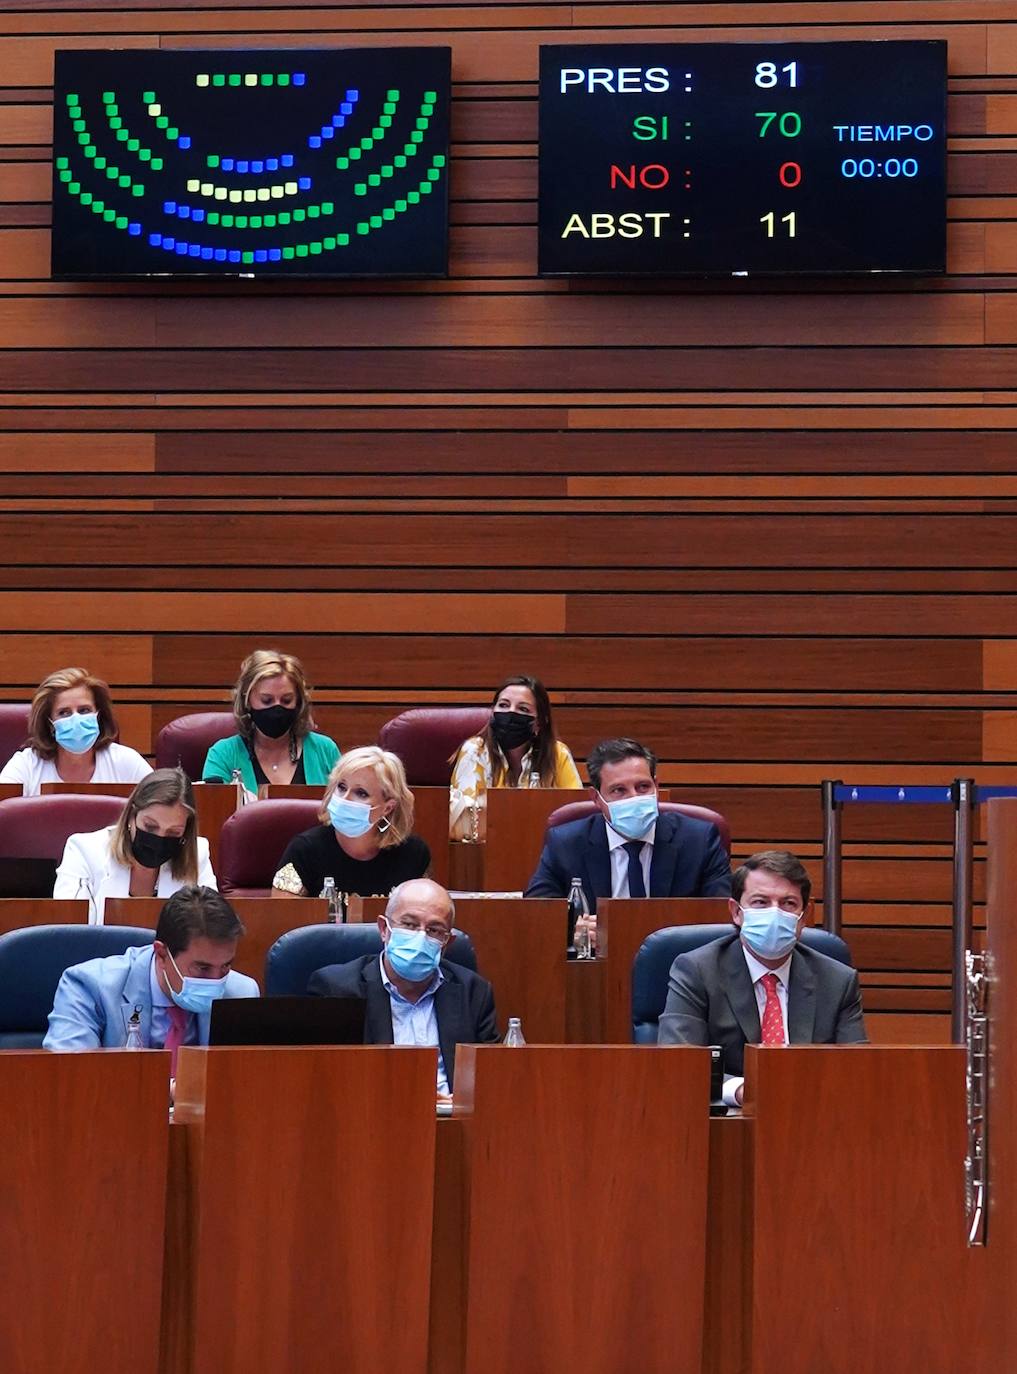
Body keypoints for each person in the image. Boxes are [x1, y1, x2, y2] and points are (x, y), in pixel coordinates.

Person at [657, 849, 867, 1105]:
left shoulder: (838, 981)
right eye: (760, 902)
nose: (775, 913)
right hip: (727, 1125)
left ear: (804, 917)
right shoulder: (696, 970)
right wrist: (743, 1091)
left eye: (788, 903)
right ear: (736, 912)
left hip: (812, 1117)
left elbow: (857, 1071)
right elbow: (679, 1064)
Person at [307, 878, 498, 1094]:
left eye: (434, 930)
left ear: (447, 943)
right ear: (383, 929)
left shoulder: (473, 992)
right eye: (409, 924)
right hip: (370, 1119)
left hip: (452, 1121)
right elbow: (324, 1083)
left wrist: (458, 1104)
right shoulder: (336, 990)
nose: (420, 936)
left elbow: (492, 1081)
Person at [43, 885, 258, 1065]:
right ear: (162, 954)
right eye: (202, 968)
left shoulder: (241, 994)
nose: (216, 981)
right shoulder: (89, 987)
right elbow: (71, 1075)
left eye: (226, 966)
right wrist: (172, 1090)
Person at [524, 737, 731, 912]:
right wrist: (575, 927)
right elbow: (538, 914)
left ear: (656, 787)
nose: (633, 797)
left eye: (642, 787)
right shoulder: (566, 843)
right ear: (596, 798)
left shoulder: (699, 840)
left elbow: (720, 917)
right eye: (619, 790)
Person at [271, 746, 430, 908]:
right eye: (341, 787)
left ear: (387, 808)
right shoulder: (304, 850)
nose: (345, 799)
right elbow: (283, 921)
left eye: (361, 793)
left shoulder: (413, 854)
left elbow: (424, 919)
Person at [54, 768, 217, 923]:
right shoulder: (83, 851)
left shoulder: (198, 855)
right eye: (150, 826)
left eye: (173, 833)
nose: (159, 838)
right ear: (131, 817)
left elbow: (209, 929)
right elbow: (70, 929)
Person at [449, 675, 582, 839]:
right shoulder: (474, 751)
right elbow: (463, 826)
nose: (510, 712)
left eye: (523, 709)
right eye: (503, 705)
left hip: (544, 850)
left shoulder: (557, 754)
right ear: (493, 713)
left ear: (539, 723)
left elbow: (576, 819)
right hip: (487, 850)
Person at [0, 666, 151, 797]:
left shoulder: (126, 761)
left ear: (98, 715)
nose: (76, 719)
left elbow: (162, 806)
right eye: (64, 713)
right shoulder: (26, 765)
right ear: (50, 724)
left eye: (84, 710)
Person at [202, 648, 340, 791]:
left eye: (286, 700)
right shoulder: (223, 754)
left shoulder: (325, 750)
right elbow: (214, 810)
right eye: (266, 700)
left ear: (298, 702)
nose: (277, 709)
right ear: (247, 700)